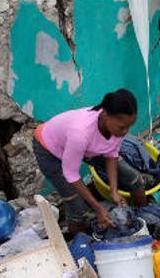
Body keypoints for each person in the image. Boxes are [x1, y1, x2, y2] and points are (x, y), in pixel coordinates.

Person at [33, 89, 146, 234]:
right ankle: (80, 247)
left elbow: (111, 155)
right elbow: (71, 174)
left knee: (133, 178)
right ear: (105, 114)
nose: (125, 131)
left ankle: (144, 221)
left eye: (129, 126)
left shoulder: (115, 128)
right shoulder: (80, 133)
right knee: (78, 209)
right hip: (48, 148)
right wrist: (98, 208)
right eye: (122, 127)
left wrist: (114, 191)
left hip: (83, 146)